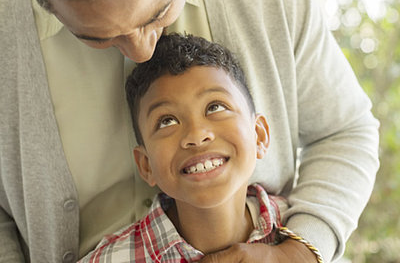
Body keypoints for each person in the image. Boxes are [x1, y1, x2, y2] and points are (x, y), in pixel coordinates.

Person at [0, 0, 379, 263]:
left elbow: (344, 132)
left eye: (159, 12)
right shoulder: (7, 21)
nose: (142, 51)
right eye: (97, 37)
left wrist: (302, 250)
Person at [80, 33, 323, 263]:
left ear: (259, 135)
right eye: (167, 121)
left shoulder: (305, 232)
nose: (196, 136)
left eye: (215, 107)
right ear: (146, 166)